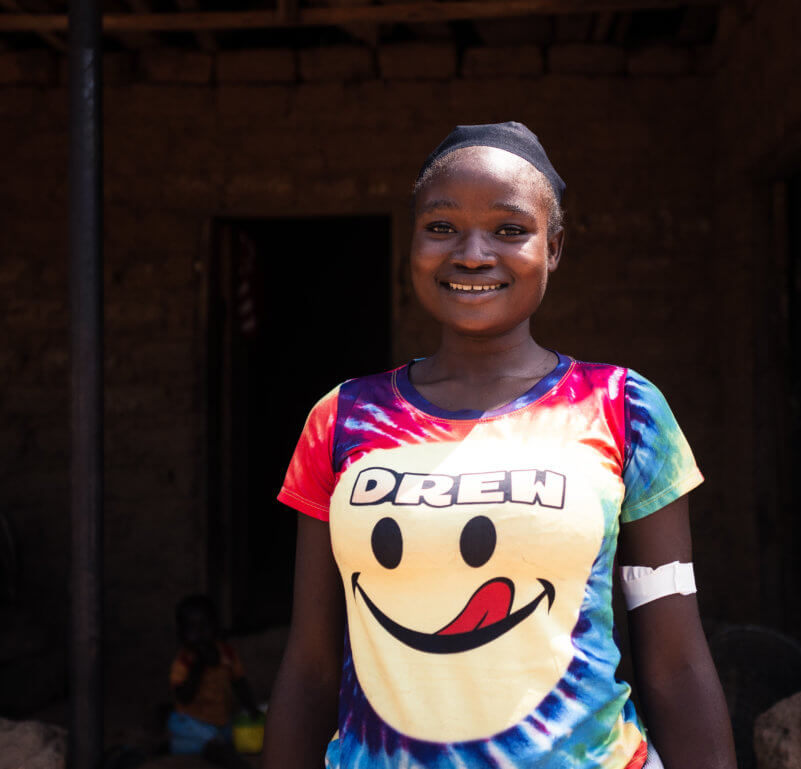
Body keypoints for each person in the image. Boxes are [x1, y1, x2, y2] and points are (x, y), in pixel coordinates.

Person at [264, 122, 736, 769]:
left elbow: (677, 661)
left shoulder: (626, 409)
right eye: (442, 226)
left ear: (555, 247)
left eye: (510, 229)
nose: (473, 253)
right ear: (414, 242)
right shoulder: (342, 418)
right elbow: (311, 665)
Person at [168, 594, 259, 768]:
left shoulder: (226, 654)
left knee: (236, 738)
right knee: (211, 747)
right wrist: (199, 665)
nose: (200, 633)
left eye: (204, 625)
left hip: (221, 722)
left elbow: (239, 682)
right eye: (192, 628)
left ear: (216, 626)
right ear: (181, 634)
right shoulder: (184, 662)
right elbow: (183, 696)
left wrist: (251, 708)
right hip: (192, 722)